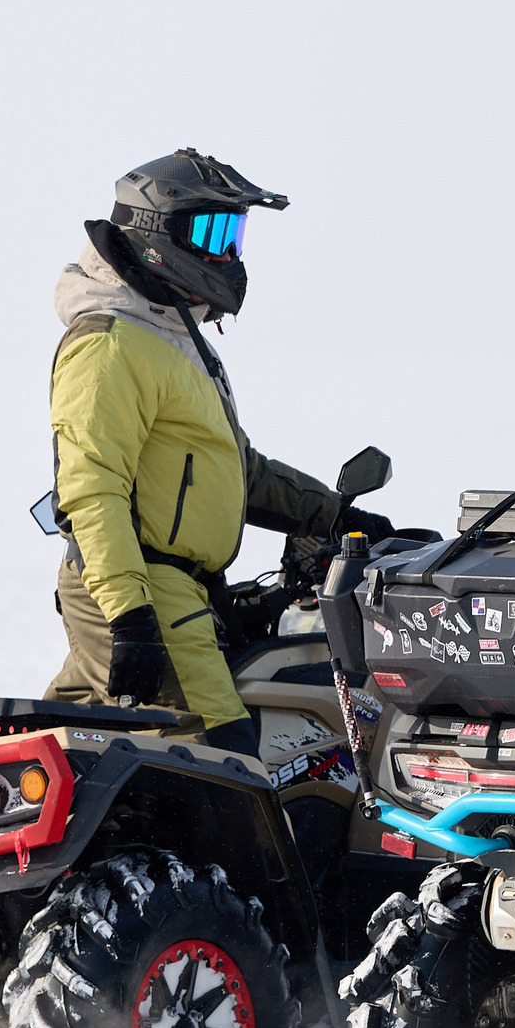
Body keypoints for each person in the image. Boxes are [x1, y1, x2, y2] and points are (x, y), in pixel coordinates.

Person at [46, 149, 390, 756]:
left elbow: (237, 468)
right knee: (221, 760)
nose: (227, 253)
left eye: (234, 233)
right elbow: (91, 491)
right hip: (141, 587)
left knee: (72, 743)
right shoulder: (108, 343)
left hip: (185, 590)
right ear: (155, 235)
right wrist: (130, 618)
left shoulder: (170, 335)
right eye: (210, 231)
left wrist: (334, 516)